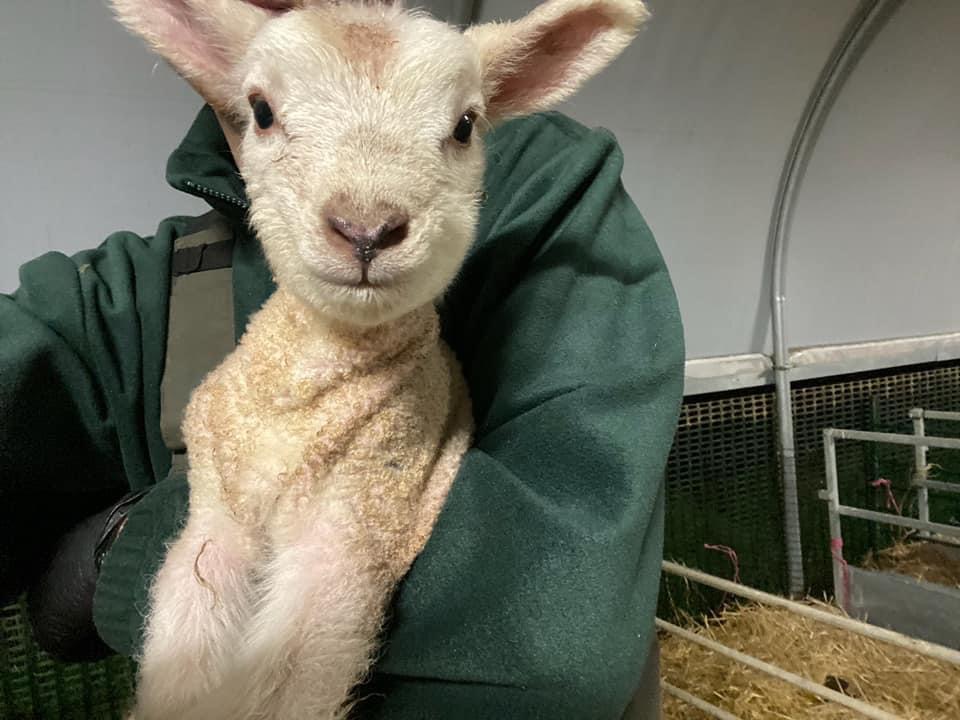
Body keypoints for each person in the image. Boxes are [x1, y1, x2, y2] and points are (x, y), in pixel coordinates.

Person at [0, 2, 684, 717]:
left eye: (457, 128)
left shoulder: (549, 193)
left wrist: (120, 548)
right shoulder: (124, 290)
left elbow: (561, 632)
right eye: (267, 113)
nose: (364, 216)